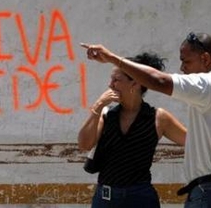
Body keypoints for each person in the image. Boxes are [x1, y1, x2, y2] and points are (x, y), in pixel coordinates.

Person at [81, 32, 211, 208]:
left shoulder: (209, 85)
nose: (182, 68)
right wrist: (98, 106)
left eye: (186, 61)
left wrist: (112, 58)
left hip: (210, 194)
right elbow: (195, 141)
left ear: (205, 59)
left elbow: (159, 80)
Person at [78, 51, 187, 208]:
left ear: (135, 83)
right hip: (106, 198)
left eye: (116, 80)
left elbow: (192, 141)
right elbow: (84, 144)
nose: (110, 85)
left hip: (140, 198)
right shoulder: (106, 114)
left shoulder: (158, 117)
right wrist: (98, 106)